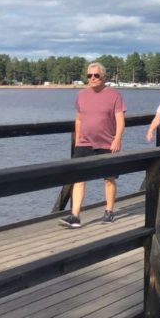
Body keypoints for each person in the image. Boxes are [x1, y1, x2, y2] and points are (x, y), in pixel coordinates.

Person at [60, 62, 125, 228]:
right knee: (79, 178)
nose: (92, 78)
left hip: (107, 143)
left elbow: (120, 120)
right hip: (84, 143)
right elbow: (79, 119)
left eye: (96, 75)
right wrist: (77, 139)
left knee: (109, 179)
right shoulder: (81, 95)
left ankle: (109, 211)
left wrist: (117, 139)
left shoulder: (114, 95)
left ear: (103, 77)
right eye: (89, 76)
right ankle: (75, 215)